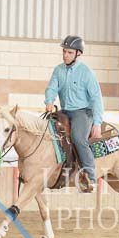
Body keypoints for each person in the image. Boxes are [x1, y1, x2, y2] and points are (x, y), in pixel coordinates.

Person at [44, 35, 104, 192]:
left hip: (82, 112)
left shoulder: (86, 73)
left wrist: (97, 123)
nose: (65, 55)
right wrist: (49, 101)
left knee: (78, 138)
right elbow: (52, 87)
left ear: (78, 54)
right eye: (64, 51)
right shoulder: (58, 70)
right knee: (46, 131)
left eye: (69, 52)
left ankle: (90, 177)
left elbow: (96, 98)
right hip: (64, 111)